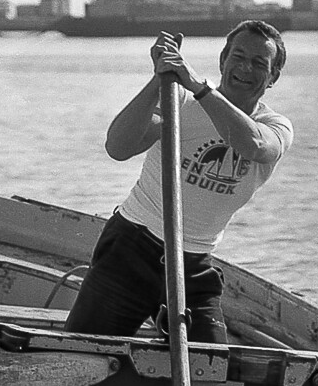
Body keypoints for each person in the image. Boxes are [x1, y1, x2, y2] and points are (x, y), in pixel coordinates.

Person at [63, 20, 292, 344]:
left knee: (211, 363)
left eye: (259, 63)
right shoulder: (179, 102)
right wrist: (160, 78)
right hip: (132, 248)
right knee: (84, 352)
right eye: (238, 57)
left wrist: (199, 85)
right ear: (223, 60)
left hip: (193, 264)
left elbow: (253, 146)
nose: (245, 69)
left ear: (273, 77)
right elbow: (118, 147)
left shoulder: (275, 126)